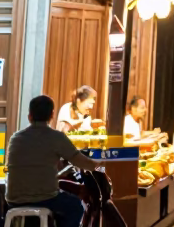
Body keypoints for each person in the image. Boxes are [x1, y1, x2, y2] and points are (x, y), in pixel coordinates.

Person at [6, 95, 103, 227]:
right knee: (76, 207)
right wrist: (100, 165)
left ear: (29, 116)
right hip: (44, 199)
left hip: (13, 200)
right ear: (52, 115)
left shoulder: (15, 138)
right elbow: (79, 161)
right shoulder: (56, 137)